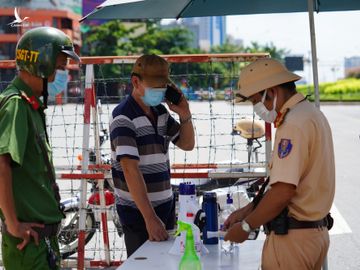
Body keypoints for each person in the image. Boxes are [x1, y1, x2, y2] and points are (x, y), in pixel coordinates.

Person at [224, 58, 335, 270]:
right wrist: (247, 210)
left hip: (293, 241)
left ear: (272, 92)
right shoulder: (310, 114)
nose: (257, 108)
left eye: (257, 100)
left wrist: (246, 227)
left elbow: (283, 192)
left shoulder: (293, 124)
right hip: (312, 236)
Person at [0, 27, 80, 269]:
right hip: (28, 241)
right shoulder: (16, 105)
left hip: (42, 238)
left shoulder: (31, 106)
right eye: (59, 68)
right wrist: (13, 224)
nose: (61, 76)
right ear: (41, 66)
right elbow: (1, 164)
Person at [110, 54, 195, 257]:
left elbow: (187, 144)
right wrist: (150, 218)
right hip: (139, 214)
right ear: (135, 82)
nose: (159, 92)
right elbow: (130, 169)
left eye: (162, 87)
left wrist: (184, 113)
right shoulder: (123, 117)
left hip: (165, 207)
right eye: (154, 87)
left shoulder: (161, 112)